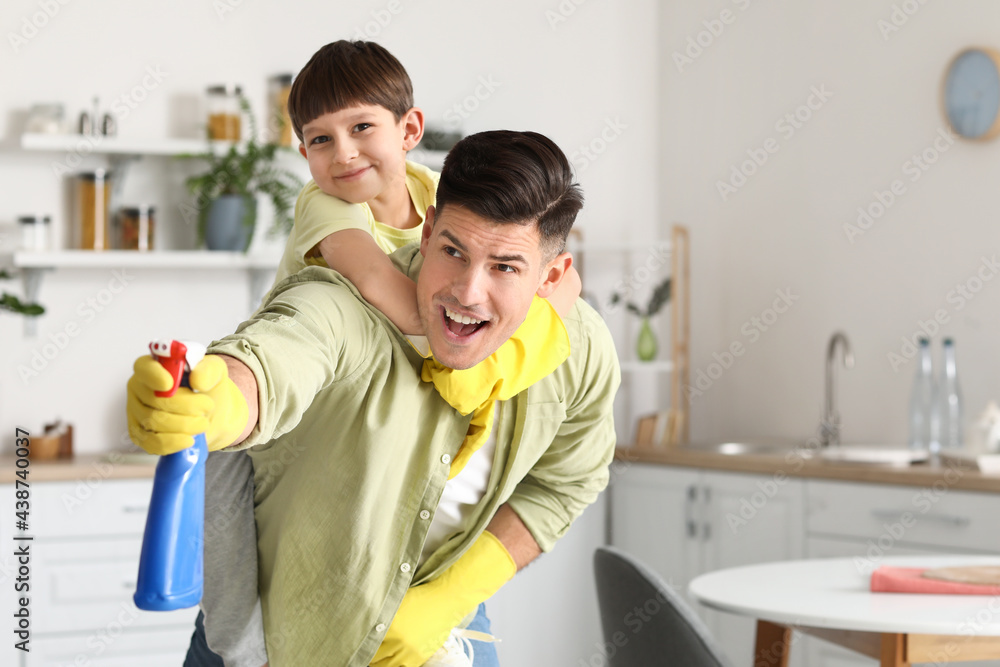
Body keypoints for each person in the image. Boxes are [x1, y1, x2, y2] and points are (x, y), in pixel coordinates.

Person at [127, 130, 620, 667]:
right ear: (428, 232)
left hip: (442, 631)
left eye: (504, 266)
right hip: (282, 638)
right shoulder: (347, 307)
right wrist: (217, 401)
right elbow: (282, 353)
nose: (467, 292)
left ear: (551, 277)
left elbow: (564, 484)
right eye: (454, 251)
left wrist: (450, 597)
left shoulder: (580, 351)